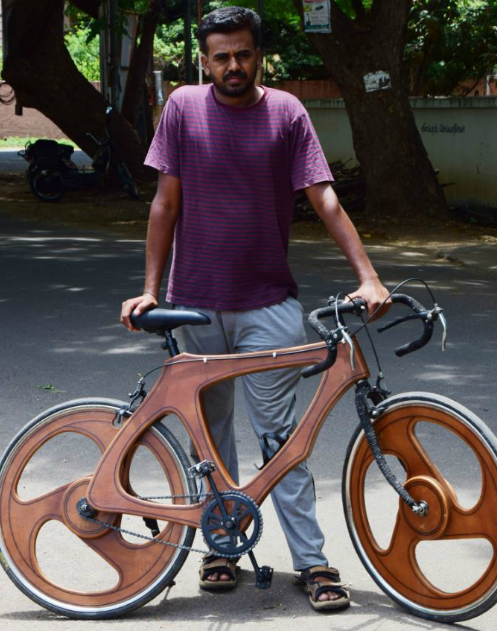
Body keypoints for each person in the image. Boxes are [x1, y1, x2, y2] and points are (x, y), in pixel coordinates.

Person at [120, 6, 390, 612]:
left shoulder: (287, 112)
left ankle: (312, 562)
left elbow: (325, 198)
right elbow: (165, 204)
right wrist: (151, 288)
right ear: (205, 59)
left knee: (281, 441)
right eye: (221, 56)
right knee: (208, 437)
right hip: (195, 306)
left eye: (243, 53)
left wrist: (368, 277)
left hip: (269, 303)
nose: (233, 66)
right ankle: (220, 548)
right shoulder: (184, 109)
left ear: (257, 54)